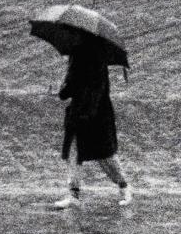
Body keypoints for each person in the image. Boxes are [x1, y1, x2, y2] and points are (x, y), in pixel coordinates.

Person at [55, 39, 131, 205]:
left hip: (95, 116)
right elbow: (69, 90)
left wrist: (66, 88)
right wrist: (64, 87)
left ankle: (124, 187)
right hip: (81, 114)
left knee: (105, 155)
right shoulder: (82, 56)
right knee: (74, 154)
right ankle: (74, 195)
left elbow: (94, 91)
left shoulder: (93, 59)